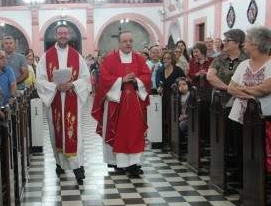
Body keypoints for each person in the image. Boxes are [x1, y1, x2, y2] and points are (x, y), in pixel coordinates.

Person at [92, 31, 151, 176]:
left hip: (134, 105)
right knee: (116, 130)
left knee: (134, 132)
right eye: (125, 41)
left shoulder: (139, 59)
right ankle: (117, 162)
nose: (128, 44)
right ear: (119, 43)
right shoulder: (110, 59)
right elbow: (104, 79)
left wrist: (136, 80)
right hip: (115, 103)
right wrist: (121, 81)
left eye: (130, 41)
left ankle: (132, 164)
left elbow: (147, 76)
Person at [36, 24, 91, 181]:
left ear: (69, 35)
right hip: (54, 100)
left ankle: (78, 167)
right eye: (60, 33)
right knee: (56, 133)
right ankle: (60, 163)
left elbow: (86, 79)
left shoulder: (77, 56)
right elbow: (40, 80)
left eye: (65, 33)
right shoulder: (46, 57)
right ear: (55, 35)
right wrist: (55, 86)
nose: (62, 36)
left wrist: (72, 84)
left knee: (75, 133)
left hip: (72, 98)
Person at [228, 26, 271, 188]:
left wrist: (244, 89)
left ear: (257, 44)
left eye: (246, 42)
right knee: (241, 151)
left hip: (263, 117)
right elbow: (231, 88)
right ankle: (244, 186)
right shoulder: (244, 64)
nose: (244, 45)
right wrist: (253, 96)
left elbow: (266, 88)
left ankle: (258, 187)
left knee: (259, 153)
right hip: (238, 115)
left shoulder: (270, 64)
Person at [207, 29, 249, 104]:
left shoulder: (247, 59)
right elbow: (210, 76)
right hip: (219, 100)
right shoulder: (220, 58)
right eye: (224, 40)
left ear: (237, 43)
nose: (224, 43)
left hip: (240, 99)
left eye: (228, 40)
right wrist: (229, 88)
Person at [157, 50, 185, 152]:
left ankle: (172, 143)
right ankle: (165, 142)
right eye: (164, 58)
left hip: (175, 98)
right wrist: (159, 88)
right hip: (164, 98)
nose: (166, 60)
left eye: (168, 58)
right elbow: (159, 83)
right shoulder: (160, 70)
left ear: (172, 59)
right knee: (164, 120)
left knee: (171, 120)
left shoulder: (177, 70)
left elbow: (183, 82)